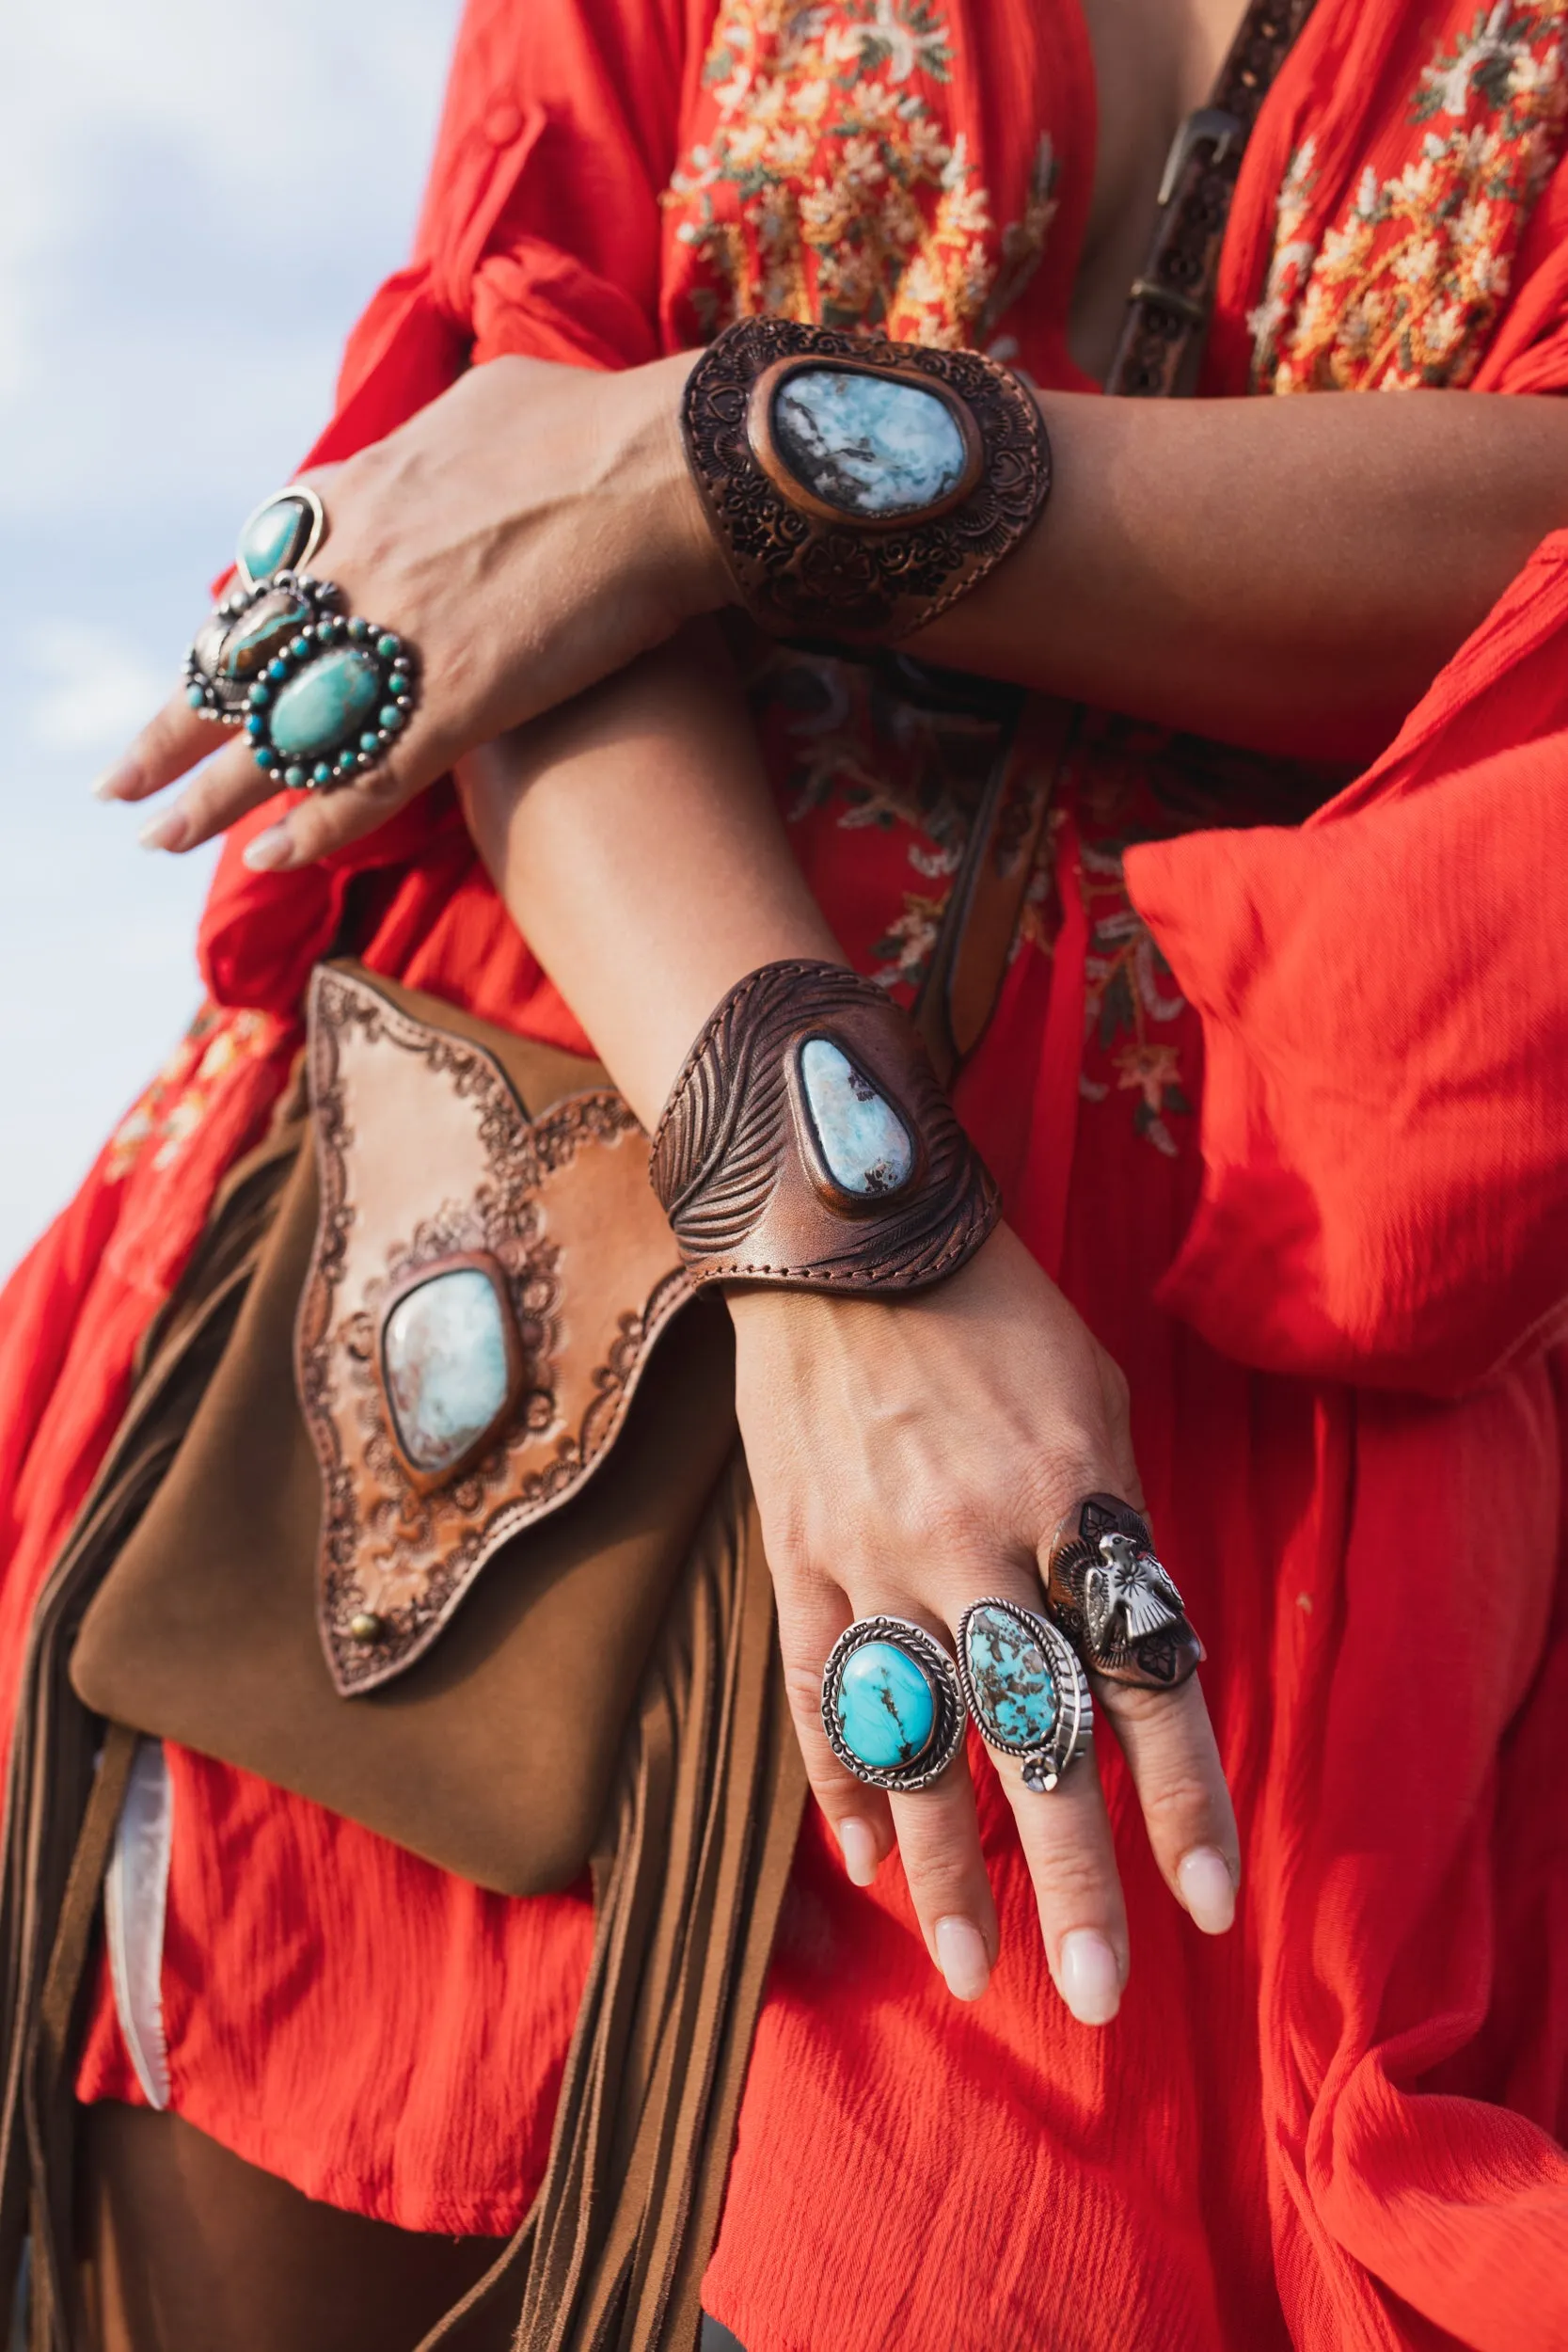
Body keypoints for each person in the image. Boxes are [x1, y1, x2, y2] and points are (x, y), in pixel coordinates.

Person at [4, 0, 1568, 2344]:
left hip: (1210, 1431)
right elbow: (485, 508)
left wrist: (697, 460)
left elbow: (582, 462)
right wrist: (844, 1236)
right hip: (470, 1298)